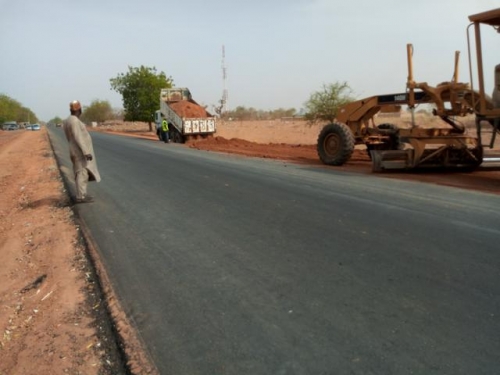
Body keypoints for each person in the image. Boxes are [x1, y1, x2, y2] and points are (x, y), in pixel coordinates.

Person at [63, 100, 101, 203]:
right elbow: (78, 137)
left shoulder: (67, 120)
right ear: (79, 109)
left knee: (79, 172)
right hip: (79, 151)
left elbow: (70, 137)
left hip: (74, 149)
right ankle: (81, 196)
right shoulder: (75, 121)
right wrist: (86, 152)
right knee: (82, 172)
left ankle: (82, 194)